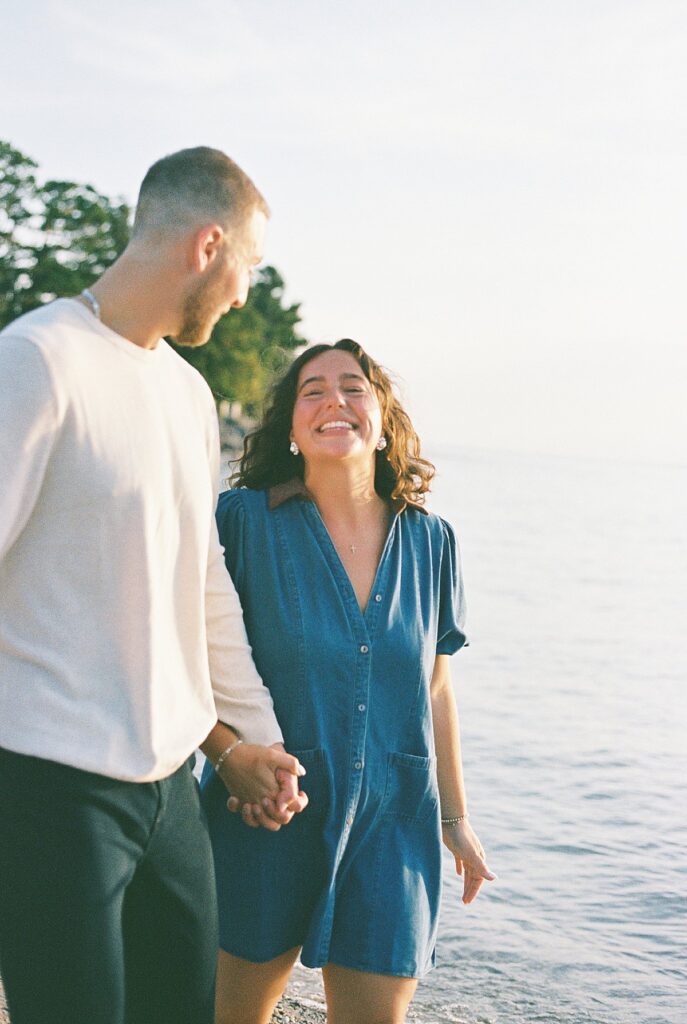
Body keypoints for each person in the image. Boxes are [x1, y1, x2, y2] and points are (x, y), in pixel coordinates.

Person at [0, 146, 306, 1024]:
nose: (247, 292)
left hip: (171, 791)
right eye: (249, 267)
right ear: (208, 245)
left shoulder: (186, 394)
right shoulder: (36, 362)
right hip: (49, 789)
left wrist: (246, 739)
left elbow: (201, 581)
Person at [201, 338, 496, 1024]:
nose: (335, 399)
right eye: (312, 390)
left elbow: (435, 688)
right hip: (264, 812)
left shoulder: (431, 540)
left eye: (353, 386)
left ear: (383, 419)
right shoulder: (241, 523)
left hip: (394, 825)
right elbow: (185, 658)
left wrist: (454, 819)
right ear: (291, 429)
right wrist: (225, 753)